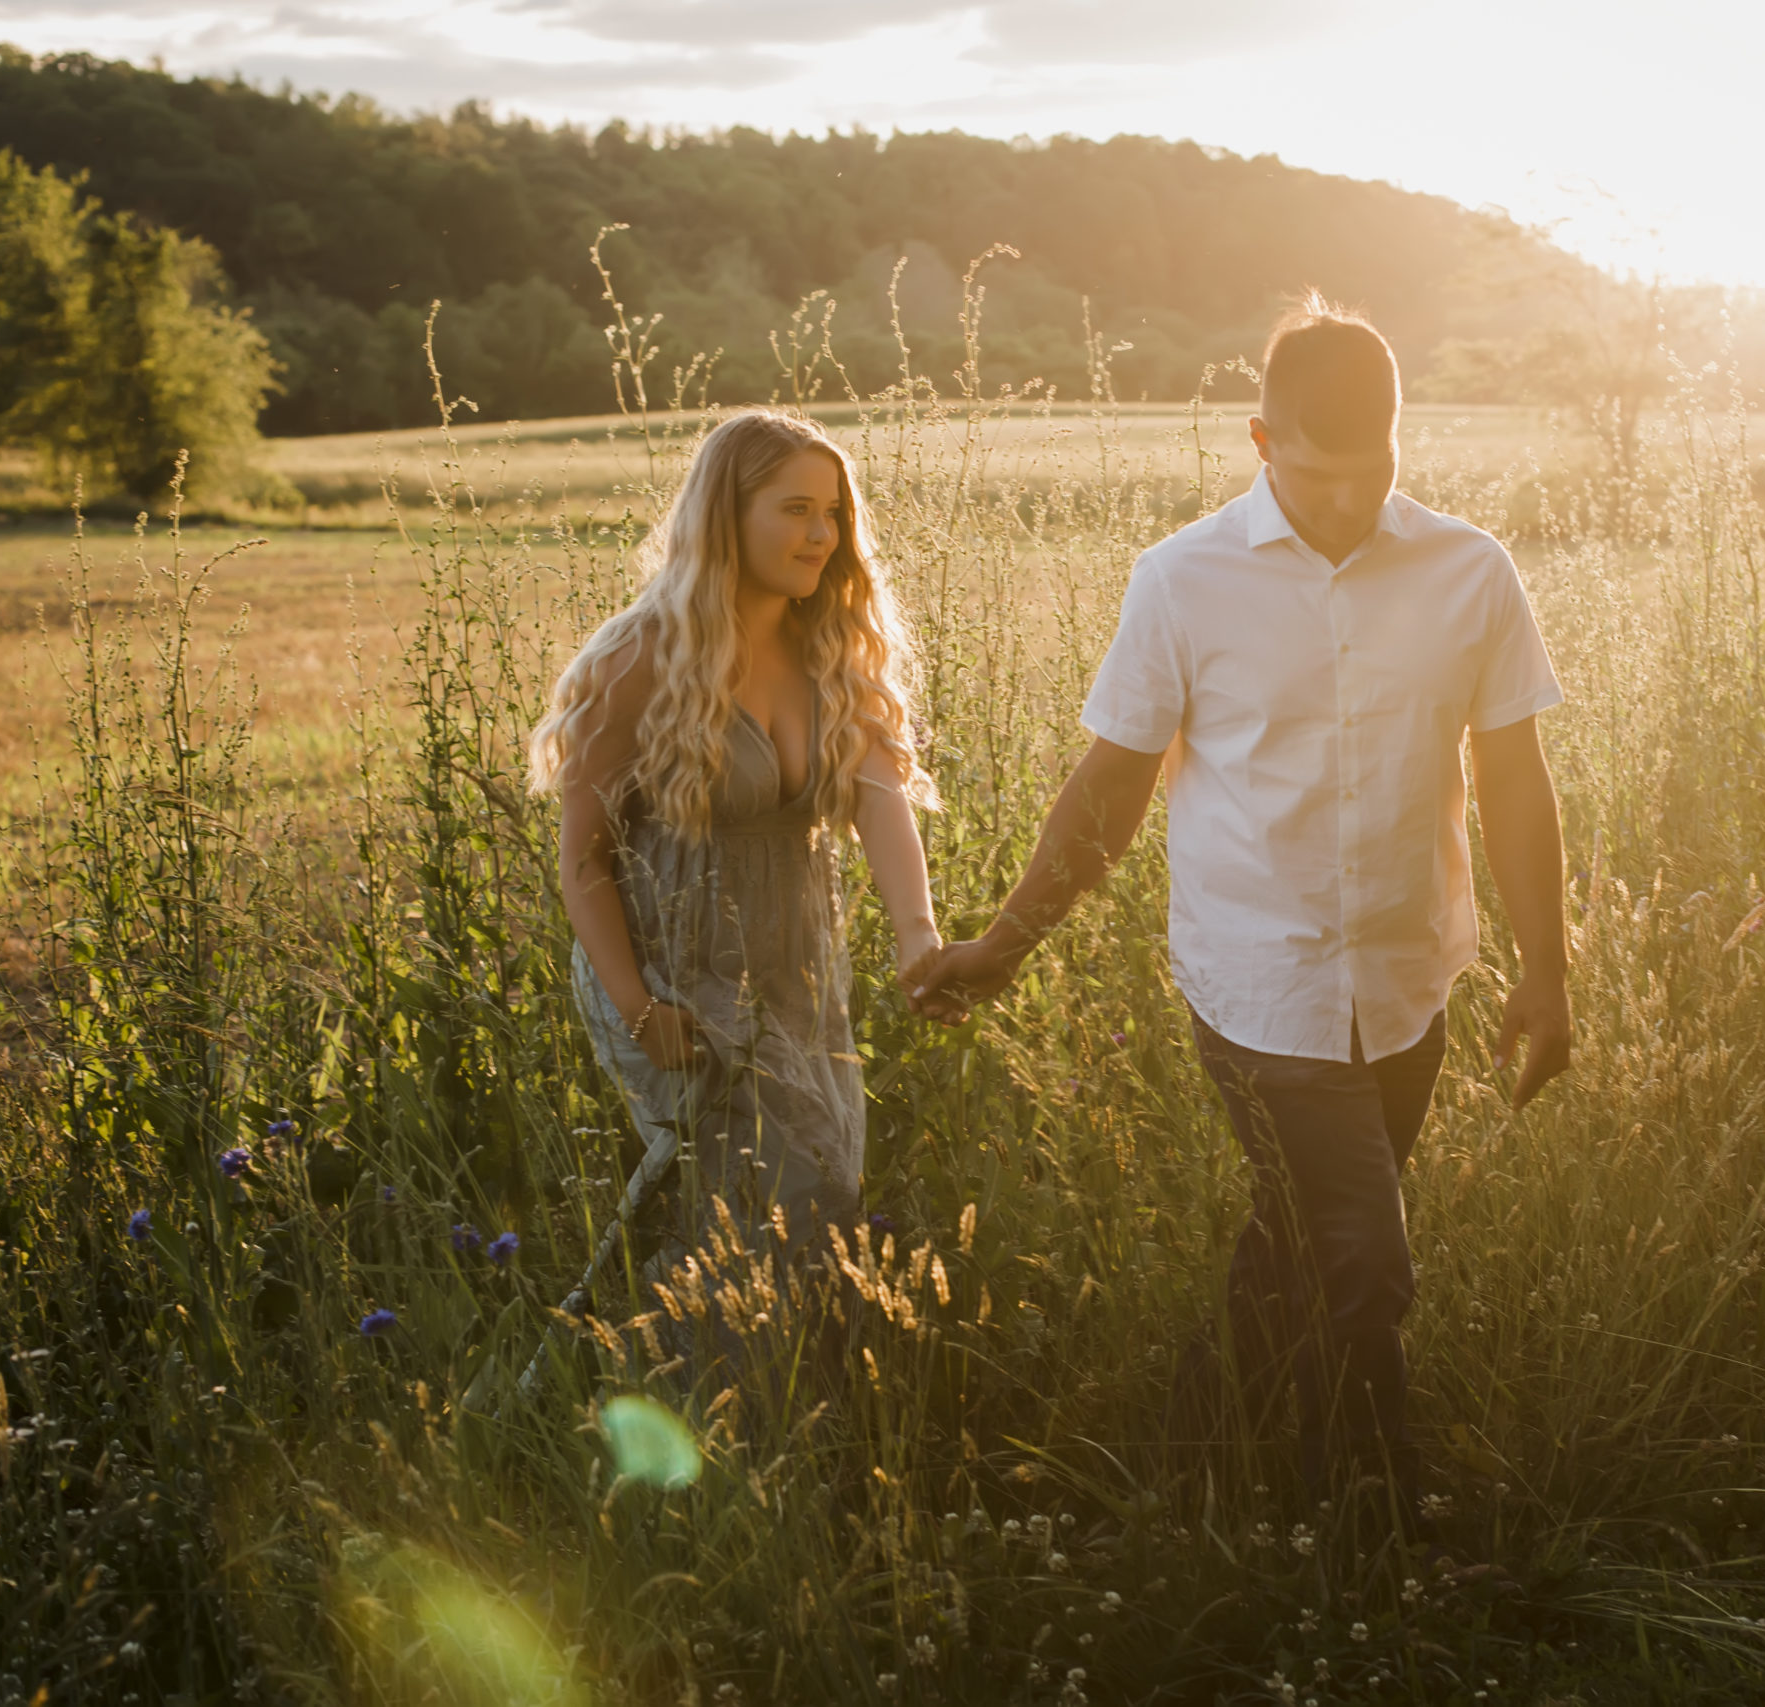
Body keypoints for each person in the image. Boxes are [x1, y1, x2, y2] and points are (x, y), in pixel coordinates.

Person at [913, 295, 1572, 1529]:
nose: (1345, 503)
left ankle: (1199, 1461)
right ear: (1260, 443)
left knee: (1299, 1244)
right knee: (1367, 1264)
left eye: (1370, 473)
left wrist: (1549, 971)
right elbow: (1108, 793)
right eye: (1317, 477)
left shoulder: (1469, 571)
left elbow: (1515, 781)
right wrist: (1002, 947)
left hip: (1408, 979)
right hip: (1258, 986)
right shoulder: (1181, 582)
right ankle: (1372, 1523)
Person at [528, 409, 958, 1335]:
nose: (821, 535)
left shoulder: (831, 649)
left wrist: (919, 937)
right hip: (664, 974)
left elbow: (883, 800)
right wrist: (641, 1006)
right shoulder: (641, 658)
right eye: (794, 509)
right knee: (779, 1198)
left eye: (832, 513)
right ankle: (723, 1416)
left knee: (818, 1188)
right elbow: (582, 858)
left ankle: (729, 1411)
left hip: (792, 971)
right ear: (729, 515)